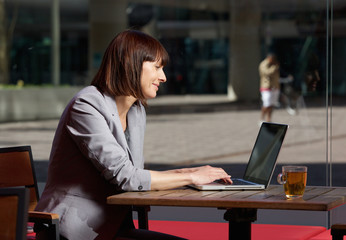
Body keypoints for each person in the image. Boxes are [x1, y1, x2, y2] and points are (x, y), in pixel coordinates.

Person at [34, 30, 232, 240]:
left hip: (114, 227)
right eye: (157, 67)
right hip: (72, 231)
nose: (163, 77)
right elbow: (126, 177)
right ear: (132, 64)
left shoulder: (136, 111)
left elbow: (135, 173)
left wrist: (194, 172)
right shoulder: (86, 105)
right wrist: (191, 176)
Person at [258, 53, 280, 123]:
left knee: (271, 104)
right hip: (266, 87)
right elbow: (267, 73)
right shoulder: (264, 64)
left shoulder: (274, 64)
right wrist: (274, 67)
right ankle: (262, 118)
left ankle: (269, 119)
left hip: (275, 87)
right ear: (269, 58)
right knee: (267, 104)